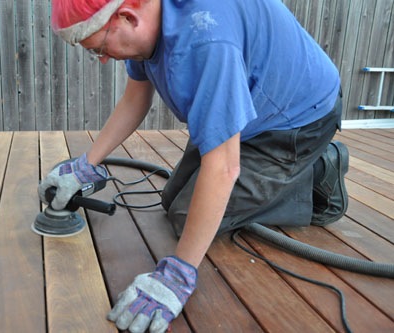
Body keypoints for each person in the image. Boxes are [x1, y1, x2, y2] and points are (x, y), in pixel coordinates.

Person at [39, 0, 349, 332]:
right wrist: (86, 165)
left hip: (296, 119)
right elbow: (135, 98)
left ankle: (318, 171)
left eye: (99, 47)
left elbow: (224, 168)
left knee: (187, 216)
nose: (101, 58)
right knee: (173, 198)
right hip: (248, 108)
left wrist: (177, 274)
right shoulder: (151, 18)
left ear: (127, 17)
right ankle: (283, 171)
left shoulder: (206, 38)